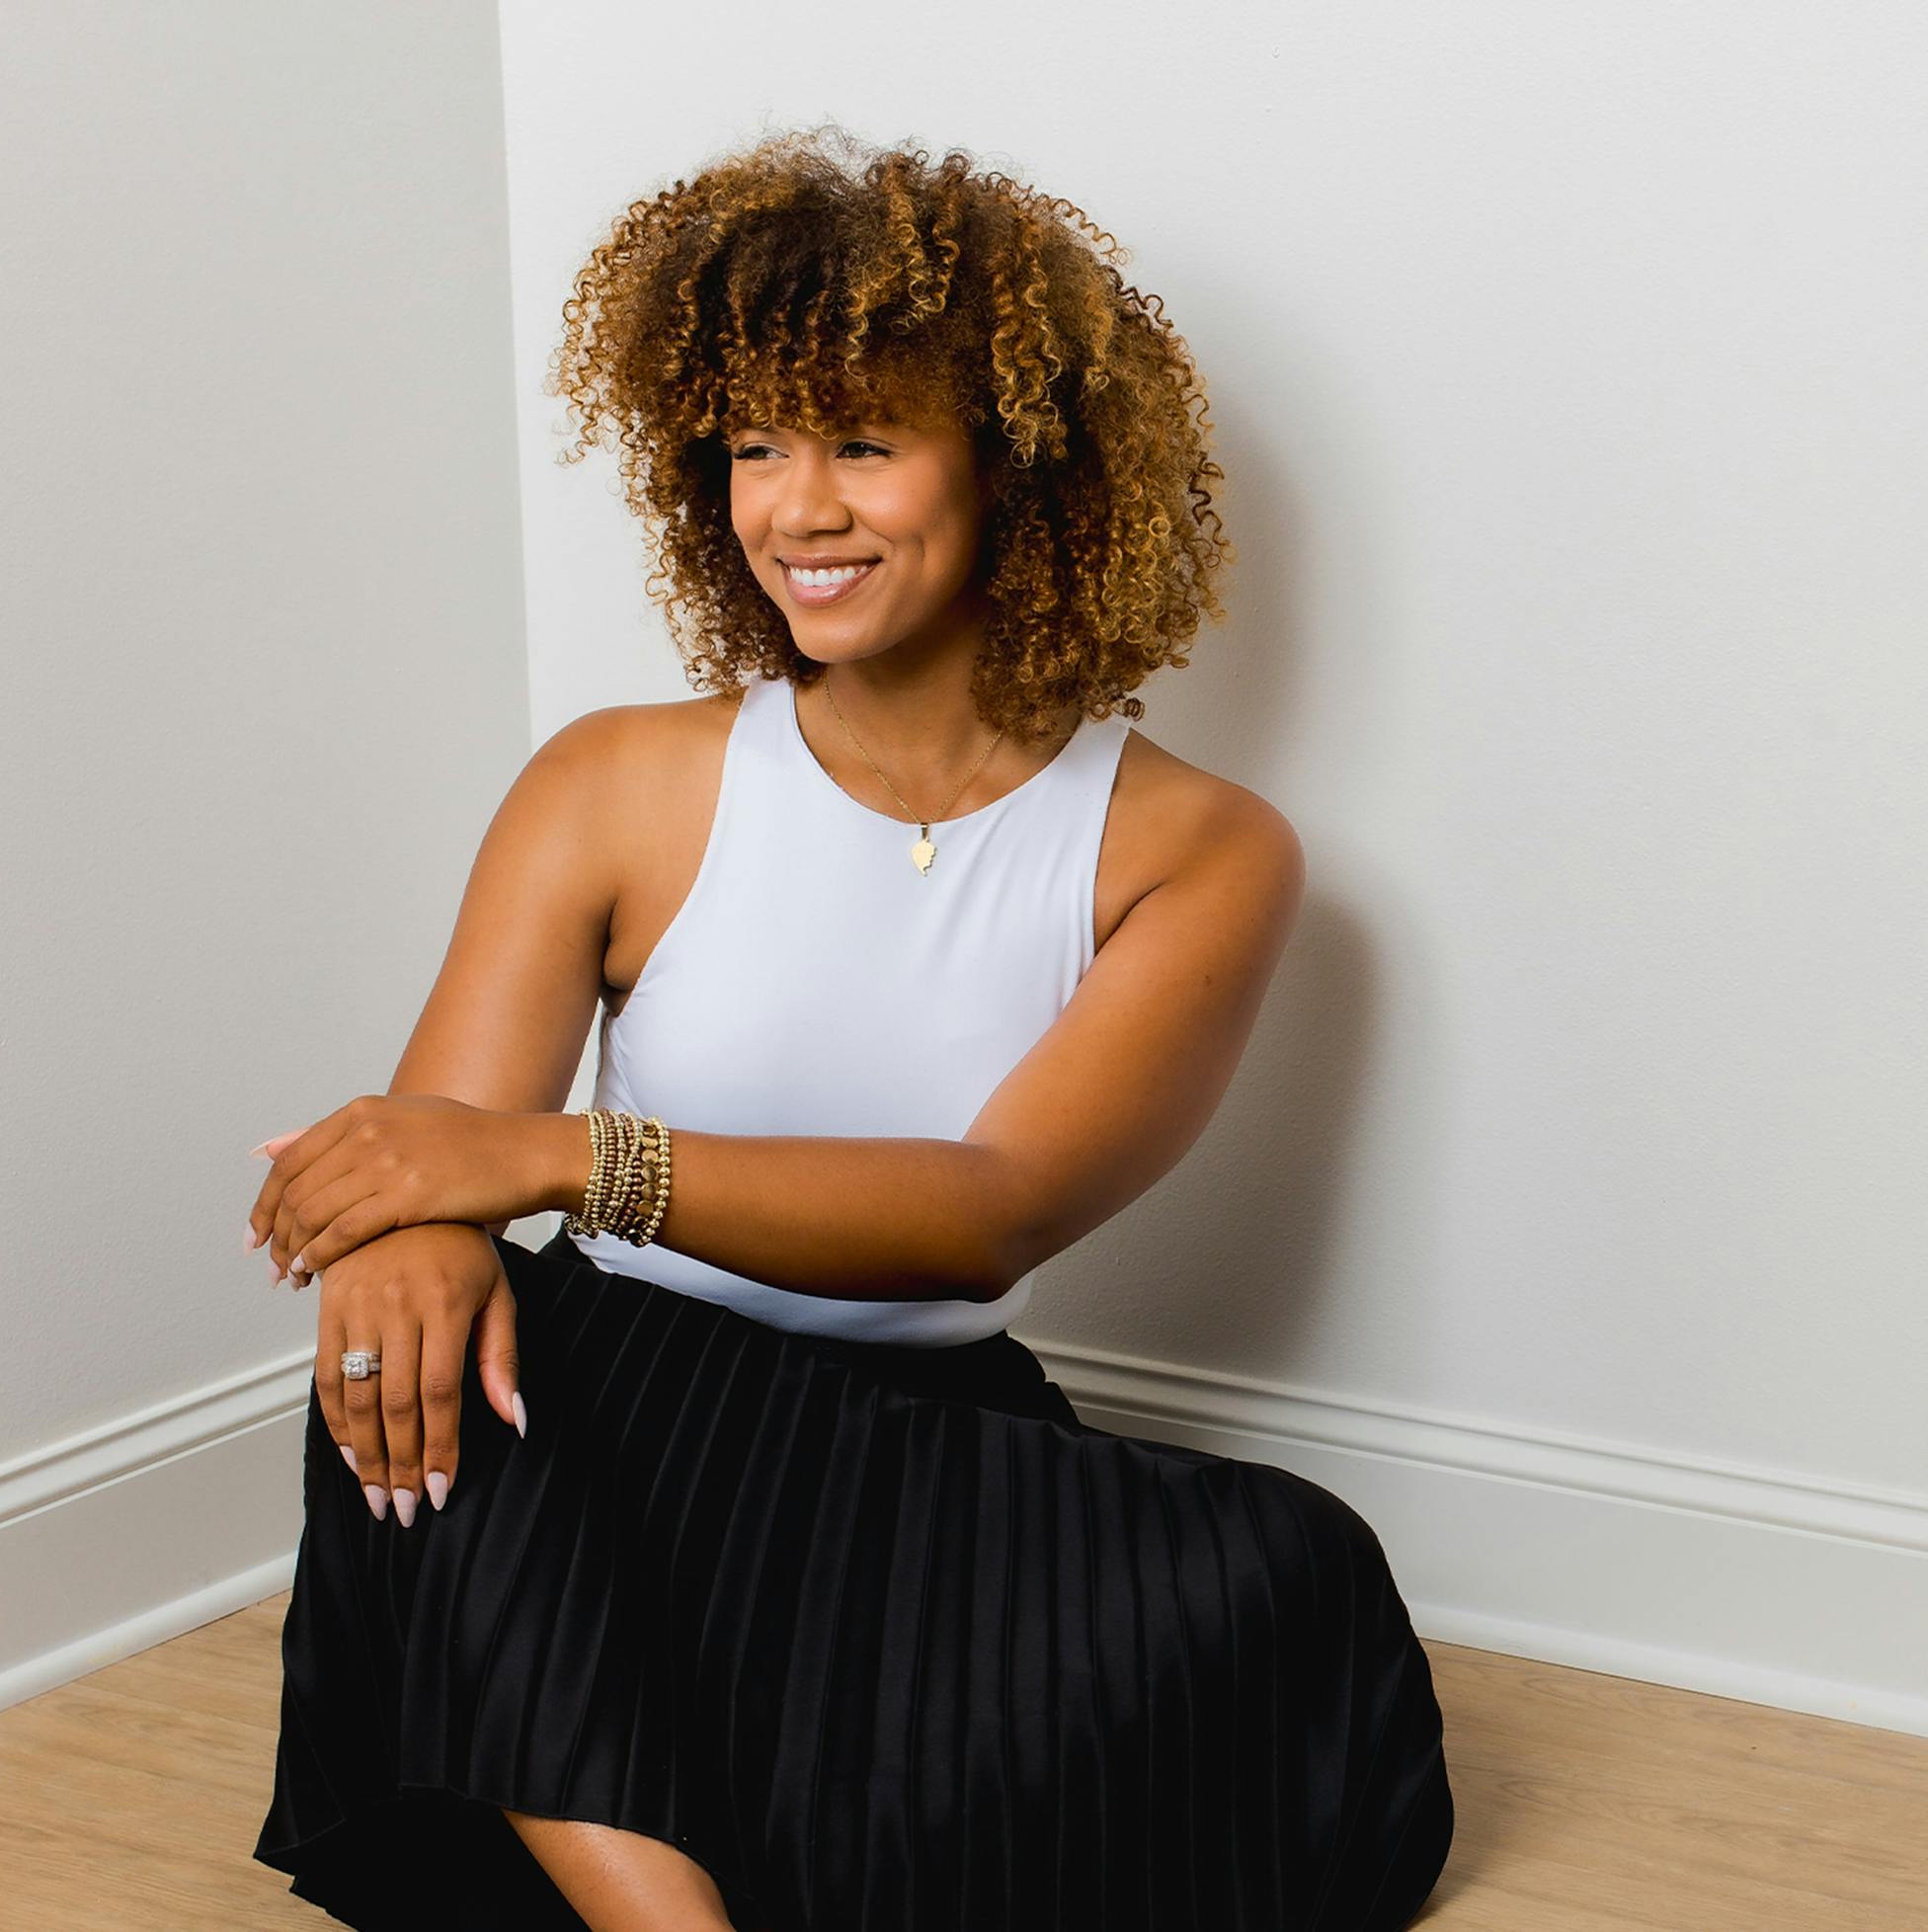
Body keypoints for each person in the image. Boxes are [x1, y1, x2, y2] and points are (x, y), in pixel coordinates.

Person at [246, 123, 1454, 1932]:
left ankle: (650, 1809)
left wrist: (556, 1157)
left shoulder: (1199, 849)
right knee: (433, 1361)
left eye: (865, 443)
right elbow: (439, 1156)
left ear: (1019, 470)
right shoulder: (612, 782)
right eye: (751, 447)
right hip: (602, 1411)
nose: (795, 508)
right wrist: (407, 1231)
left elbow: (992, 1211)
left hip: (918, 1445)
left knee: (1295, 1573)